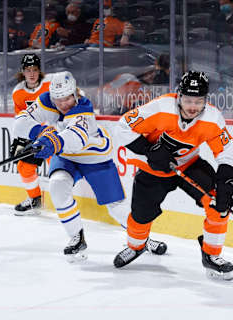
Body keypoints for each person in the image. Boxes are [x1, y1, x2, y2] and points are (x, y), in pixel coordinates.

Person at [12, 71, 167, 261]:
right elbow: (20, 122)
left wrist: (52, 142)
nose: (62, 104)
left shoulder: (83, 107)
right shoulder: (47, 100)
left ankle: (142, 239)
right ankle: (76, 238)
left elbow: (76, 138)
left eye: (67, 98)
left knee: (116, 207)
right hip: (67, 157)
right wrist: (41, 131)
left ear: (75, 94)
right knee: (57, 186)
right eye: (57, 99)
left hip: (94, 157)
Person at [113, 71, 233, 280]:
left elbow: (228, 152)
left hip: (189, 165)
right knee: (140, 217)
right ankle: (137, 246)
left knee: (218, 204)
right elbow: (123, 126)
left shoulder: (212, 118)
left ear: (205, 100)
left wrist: (226, 183)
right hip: (153, 169)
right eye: (188, 100)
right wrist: (149, 150)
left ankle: (211, 255)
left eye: (198, 102)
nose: (192, 107)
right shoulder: (160, 108)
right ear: (179, 96)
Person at [10, 54, 51, 215]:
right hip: (35, 136)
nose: (32, 73)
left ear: (39, 71)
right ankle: (35, 201)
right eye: (28, 70)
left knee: (58, 167)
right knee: (24, 166)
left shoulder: (50, 85)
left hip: (54, 135)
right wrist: (22, 139)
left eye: (35, 69)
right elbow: (22, 120)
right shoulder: (18, 92)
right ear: (23, 72)